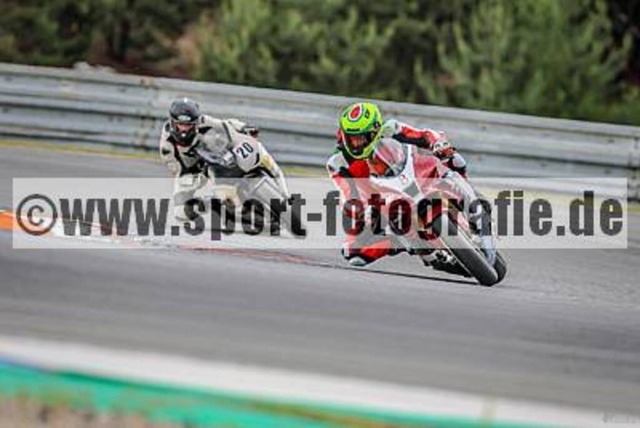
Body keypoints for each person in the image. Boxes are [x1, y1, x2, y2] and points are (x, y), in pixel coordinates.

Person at [326, 101, 470, 267]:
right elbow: (347, 192)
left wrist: (438, 144)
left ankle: (472, 205)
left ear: (375, 131)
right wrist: (357, 207)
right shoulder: (338, 163)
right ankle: (412, 246)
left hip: (410, 173)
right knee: (352, 252)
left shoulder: (391, 129)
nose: (356, 144)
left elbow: (424, 134)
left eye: (361, 138)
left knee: (455, 161)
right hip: (376, 199)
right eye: (351, 139)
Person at [159, 97, 287, 221]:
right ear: (172, 122)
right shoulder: (167, 146)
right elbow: (178, 170)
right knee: (180, 213)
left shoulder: (204, 121)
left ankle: (281, 186)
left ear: (196, 122)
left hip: (215, 157)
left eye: (188, 125)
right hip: (191, 170)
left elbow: (225, 125)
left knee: (257, 148)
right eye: (181, 124)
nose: (184, 129)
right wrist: (198, 174)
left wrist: (243, 127)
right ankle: (211, 203)